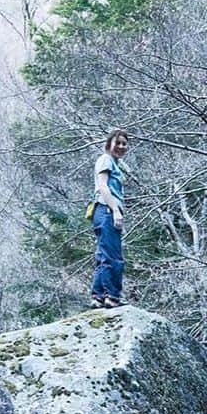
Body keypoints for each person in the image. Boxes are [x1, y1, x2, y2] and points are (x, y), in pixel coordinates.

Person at [90, 128, 128, 308]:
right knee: (113, 256)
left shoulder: (114, 163)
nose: (121, 146)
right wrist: (115, 210)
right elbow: (103, 187)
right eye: (117, 143)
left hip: (103, 211)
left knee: (104, 254)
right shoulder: (105, 160)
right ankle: (112, 296)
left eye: (124, 143)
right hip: (106, 210)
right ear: (109, 144)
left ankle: (98, 296)